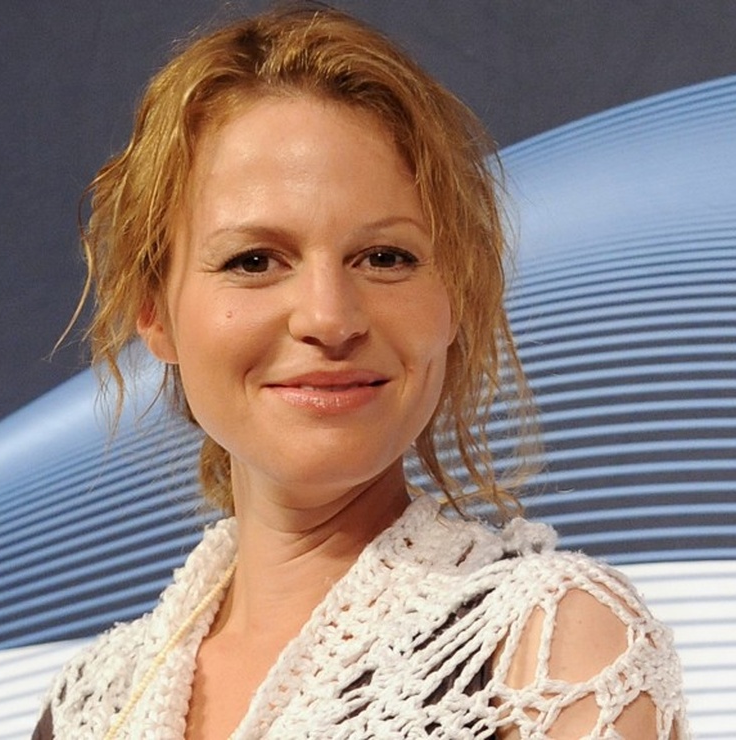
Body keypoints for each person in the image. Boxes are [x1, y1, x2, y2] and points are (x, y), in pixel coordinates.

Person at [36, 5, 688, 738]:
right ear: (154, 312)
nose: (329, 316)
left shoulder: (552, 650)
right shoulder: (92, 703)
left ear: (456, 297)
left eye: (385, 258)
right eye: (254, 260)